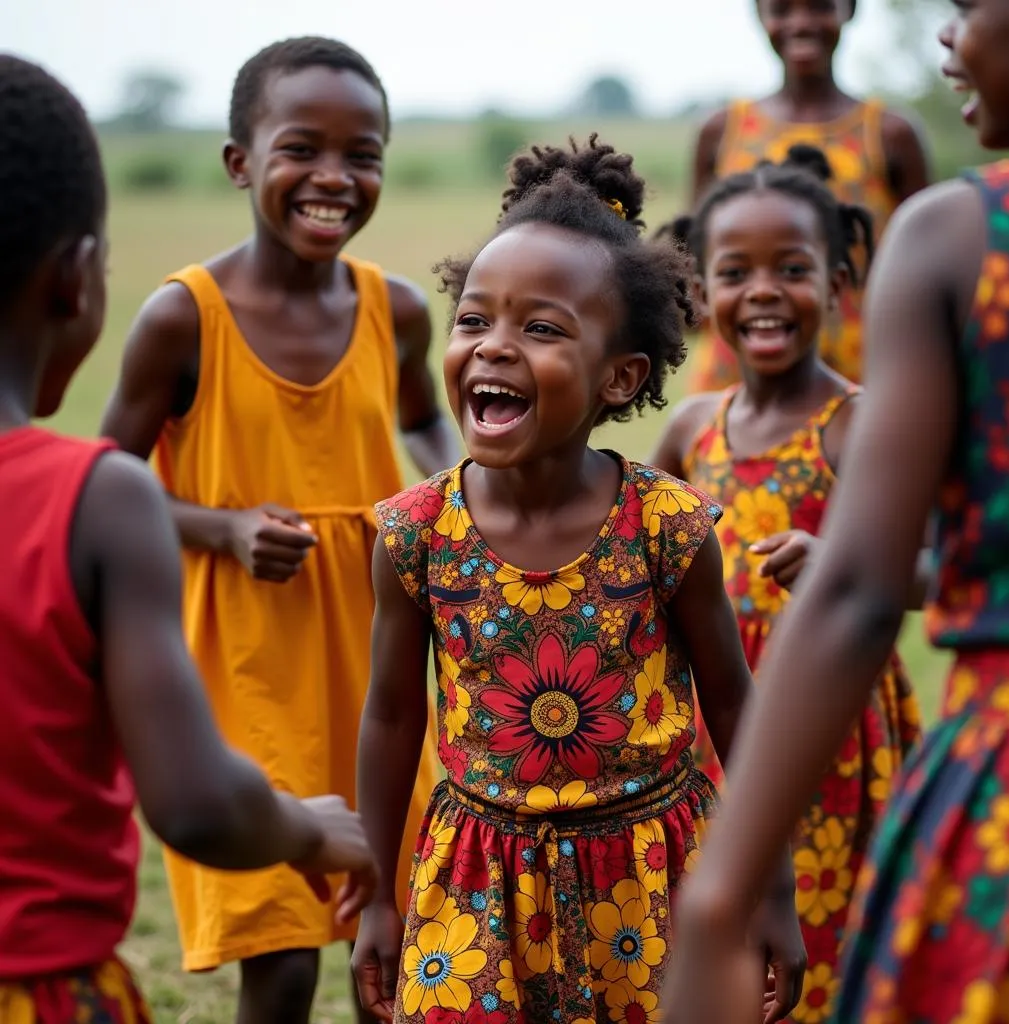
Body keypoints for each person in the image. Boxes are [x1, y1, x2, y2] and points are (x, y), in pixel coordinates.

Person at [347, 134, 806, 1024]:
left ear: (619, 377)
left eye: (542, 329)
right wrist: (377, 893)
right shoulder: (415, 535)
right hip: (474, 877)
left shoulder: (666, 528)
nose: (494, 348)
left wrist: (772, 893)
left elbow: (738, 710)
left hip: (654, 878)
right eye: (474, 320)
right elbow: (393, 716)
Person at [0, 54, 379, 1024]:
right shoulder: (88, 498)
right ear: (77, 280)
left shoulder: (390, 311)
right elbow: (197, 801)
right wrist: (304, 829)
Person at [666, 2, 1009, 1022]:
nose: (948, 38)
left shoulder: (965, 234)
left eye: (963, 7)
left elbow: (866, 587)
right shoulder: (693, 430)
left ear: (841, 277)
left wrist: (720, 897)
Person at [99, 37, 459, 1024]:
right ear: (239, 162)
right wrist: (219, 527)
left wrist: (460, 480)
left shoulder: (400, 310)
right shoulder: (184, 318)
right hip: (243, 664)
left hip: (379, 659)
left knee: (408, 928)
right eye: (303, 147)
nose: (335, 178)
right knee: (287, 950)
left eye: (365, 153)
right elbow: (106, 487)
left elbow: (424, 419)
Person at [650, 144, 921, 1023]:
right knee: (718, 950)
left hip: (828, 733)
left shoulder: (862, 422)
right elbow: (631, 548)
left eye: (793, 269)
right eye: (736, 271)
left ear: (840, 280)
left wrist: (850, 567)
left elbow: (943, 563)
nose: (763, 290)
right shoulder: (692, 430)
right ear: (702, 290)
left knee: (824, 943)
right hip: (709, 733)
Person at [685, 0, 930, 393]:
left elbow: (926, 268)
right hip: (737, 372)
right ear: (760, 16)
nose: (800, 23)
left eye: (819, 6)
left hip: (858, 369)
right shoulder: (722, 131)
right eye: (781, 9)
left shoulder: (889, 134)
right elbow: (691, 253)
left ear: (848, 9)